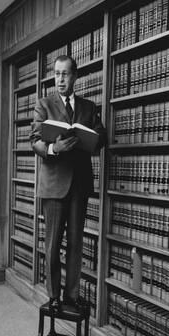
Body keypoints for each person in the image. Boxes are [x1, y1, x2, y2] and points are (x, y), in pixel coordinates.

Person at [30, 55, 106, 312]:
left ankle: (71, 295)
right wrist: (54, 147)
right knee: (52, 243)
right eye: (57, 74)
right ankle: (53, 296)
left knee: (76, 242)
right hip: (54, 185)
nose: (60, 79)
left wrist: (93, 138)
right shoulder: (44, 104)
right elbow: (35, 140)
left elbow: (101, 136)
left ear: (75, 76)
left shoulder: (88, 106)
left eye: (65, 74)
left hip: (80, 184)